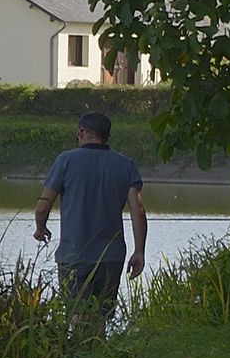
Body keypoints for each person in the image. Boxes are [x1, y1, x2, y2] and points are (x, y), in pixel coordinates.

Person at [34, 109, 147, 313]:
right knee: (100, 317)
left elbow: (44, 205)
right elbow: (138, 211)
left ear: (81, 132)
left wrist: (40, 228)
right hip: (111, 257)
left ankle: (78, 345)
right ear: (108, 137)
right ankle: (98, 345)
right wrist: (139, 251)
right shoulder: (125, 165)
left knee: (76, 314)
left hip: (73, 255)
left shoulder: (65, 161)